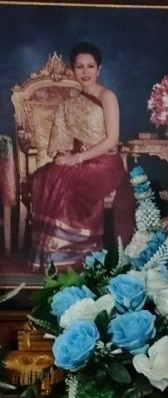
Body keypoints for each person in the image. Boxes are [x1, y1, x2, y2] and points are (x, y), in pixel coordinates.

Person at [29, 41, 135, 270]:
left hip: (106, 164)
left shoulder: (107, 96)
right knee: (46, 176)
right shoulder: (71, 103)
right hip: (82, 160)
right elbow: (65, 141)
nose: (85, 72)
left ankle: (80, 254)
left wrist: (77, 159)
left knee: (70, 184)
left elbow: (112, 139)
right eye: (79, 67)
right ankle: (54, 255)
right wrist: (66, 155)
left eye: (90, 66)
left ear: (99, 69)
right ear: (73, 69)